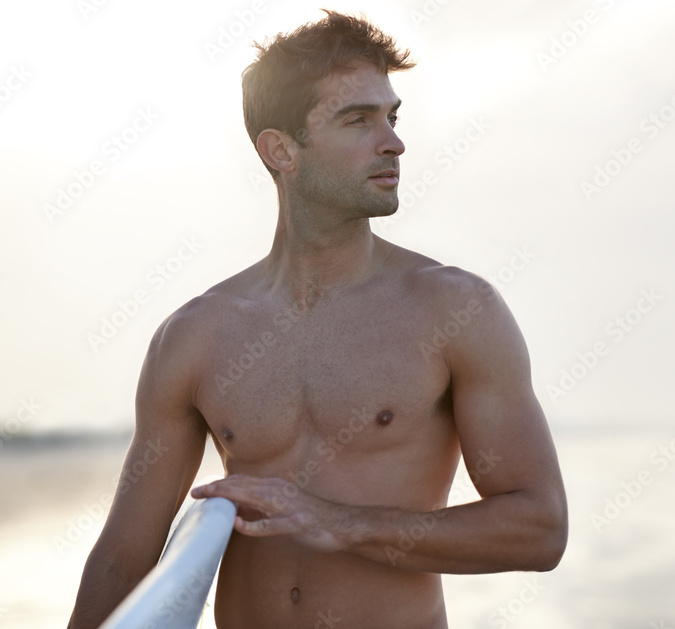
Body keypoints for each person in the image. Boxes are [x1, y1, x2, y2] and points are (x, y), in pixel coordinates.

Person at [68, 10, 567, 629]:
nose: (394, 142)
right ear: (281, 149)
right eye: (358, 120)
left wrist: (338, 522)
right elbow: (124, 559)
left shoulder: (455, 310)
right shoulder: (195, 335)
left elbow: (538, 529)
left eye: (392, 116)